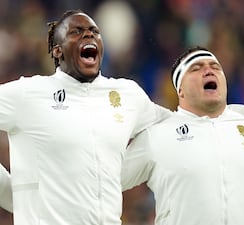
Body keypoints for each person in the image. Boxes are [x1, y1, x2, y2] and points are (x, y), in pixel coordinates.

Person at [0, 9, 172, 225]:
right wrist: (9, 192)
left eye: (94, 31)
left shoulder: (127, 94)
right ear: (57, 51)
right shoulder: (29, 93)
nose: (89, 35)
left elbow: (172, 128)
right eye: (76, 31)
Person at [121, 46, 244, 225]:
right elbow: (106, 182)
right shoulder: (158, 135)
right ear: (180, 90)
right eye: (196, 69)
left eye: (215, 67)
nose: (208, 71)